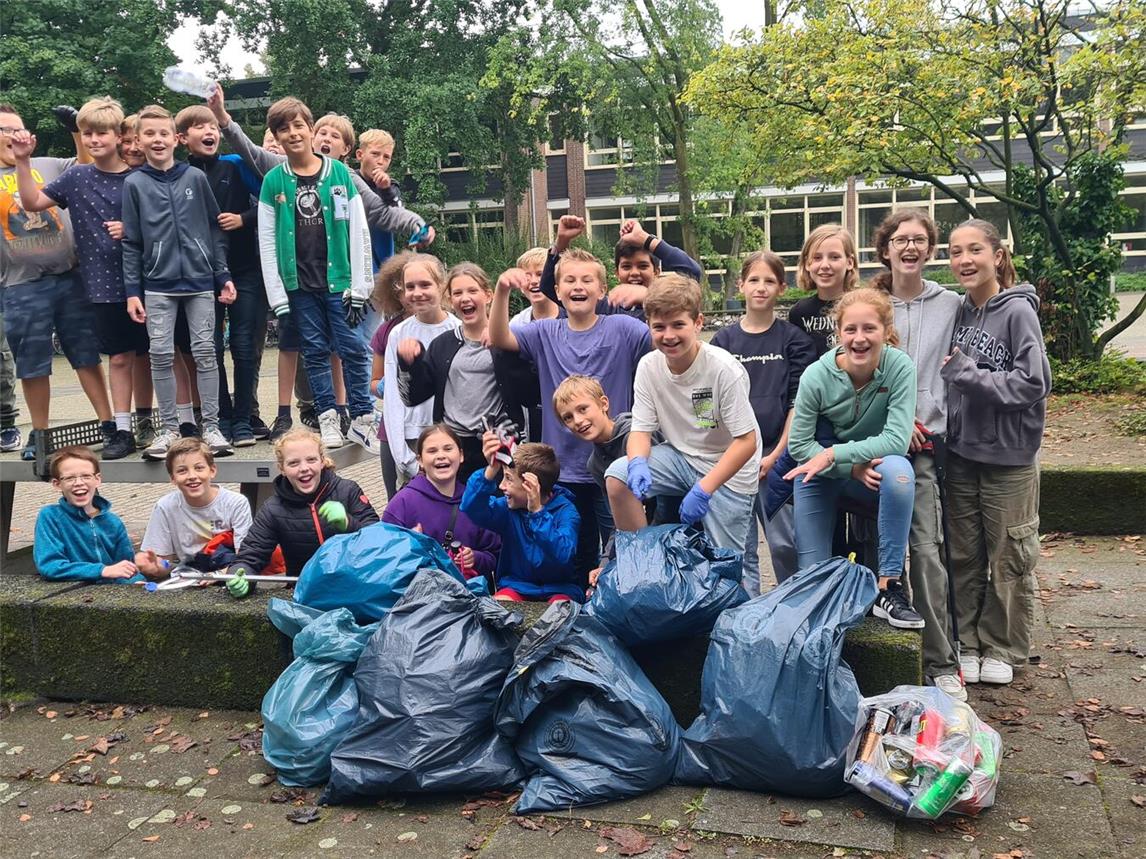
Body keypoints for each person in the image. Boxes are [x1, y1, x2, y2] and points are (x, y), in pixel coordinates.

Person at [490, 249, 651, 580]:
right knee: (575, 553)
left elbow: (669, 333)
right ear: (557, 290)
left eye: (587, 280)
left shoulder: (623, 328)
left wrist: (647, 295)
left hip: (614, 464)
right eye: (570, 280)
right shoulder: (545, 332)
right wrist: (502, 290)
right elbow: (499, 338)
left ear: (602, 290)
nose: (578, 286)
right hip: (562, 468)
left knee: (622, 546)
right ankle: (578, 605)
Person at [941, 219, 1051, 687]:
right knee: (963, 555)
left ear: (997, 255)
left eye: (974, 250)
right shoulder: (960, 312)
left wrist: (967, 375)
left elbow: (1033, 383)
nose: (964, 260)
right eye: (955, 251)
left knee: (1010, 556)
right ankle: (966, 642)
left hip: (1009, 458)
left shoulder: (1018, 311)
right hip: (962, 454)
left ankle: (1002, 645)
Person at [11, 98, 143, 460]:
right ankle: (121, 428)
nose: (94, 140)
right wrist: (22, 161)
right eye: (87, 134)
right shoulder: (77, 177)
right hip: (102, 285)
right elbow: (32, 202)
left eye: (101, 133)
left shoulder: (140, 176)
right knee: (119, 358)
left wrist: (132, 229)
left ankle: (159, 421)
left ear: (118, 136)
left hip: (147, 280)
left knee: (156, 356)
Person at [785, 288, 923, 628]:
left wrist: (836, 453)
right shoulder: (817, 376)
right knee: (812, 576)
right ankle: (819, 602)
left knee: (900, 474)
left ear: (886, 332)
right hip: (827, 474)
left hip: (875, 469)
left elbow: (897, 440)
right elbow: (800, 445)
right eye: (850, 329)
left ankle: (888, 587)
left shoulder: (899, 367)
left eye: (869, 329)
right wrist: (849, 467)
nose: (859, 338)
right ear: (838, 332)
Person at [604, 274, 761, 572]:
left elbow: (747, 441)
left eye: (678, 325)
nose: (669, 335)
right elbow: (640, 430)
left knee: (728, 565)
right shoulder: (649, 366)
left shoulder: (723, 369)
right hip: (681, 456)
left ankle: (739, 601)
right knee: (618, 476)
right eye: (659, 327)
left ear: (698, 323)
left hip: (729, 467)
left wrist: (704, 489)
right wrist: (637, 462)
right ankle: (644, 565)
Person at [871, 209, 964, 698]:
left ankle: (941, 659)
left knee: (927, 547)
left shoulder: (950, 304)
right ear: (885, 248)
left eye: (919, 239)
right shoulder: (871, 304)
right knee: (876, 546)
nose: (910, 247)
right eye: (900, 239)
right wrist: (895, 420)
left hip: (927, 443)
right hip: (878, 442)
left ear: (930, 249)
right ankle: (884, 643)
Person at [257, 96, 379, 453]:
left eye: (299, 126)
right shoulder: (273, 181)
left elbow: (359, 230)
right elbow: (267, 240)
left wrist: (361, 285)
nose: (293, 133)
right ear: (276, 136)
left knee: (353, 348)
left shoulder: (339, 173)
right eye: (284, 129)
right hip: (299, 285)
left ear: (310, 129)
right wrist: (277, 296)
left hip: (340, 282)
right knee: (313, 351)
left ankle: (362, 416)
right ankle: (326, 416)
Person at [120, 104, 235, 460]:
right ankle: (169, 429)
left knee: (205, 352)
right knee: (160, 354)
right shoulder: (134, 183)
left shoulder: (195, 178)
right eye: (149, 134)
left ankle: (212, 426)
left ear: (176, 139)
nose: (157, 140)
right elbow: (131, 241)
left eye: (163, 133)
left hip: (200, 283)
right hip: (157, 285)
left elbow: (215, 228)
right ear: (138, 140)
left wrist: (222, 275)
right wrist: (132, 292)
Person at [711, 251, 816, 593]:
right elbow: (704, 400)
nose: (761, 287)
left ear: (782, 288)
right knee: (740, 550)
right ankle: (747, 611)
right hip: (733, 460)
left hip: (777, 458)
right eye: (753, 280)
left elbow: (799, 403)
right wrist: (713, 449)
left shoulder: (794, 340)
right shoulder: (723, 341)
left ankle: (792, 604)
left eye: (769, 281)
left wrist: (776, 455)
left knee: (785, 544)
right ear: (741, 285)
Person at [175, 105, 266, 448]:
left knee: (244, 346)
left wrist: (243, 219)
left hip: (244, 269)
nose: (209, 132)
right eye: (199, 127)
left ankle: (243, 418)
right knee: (209, 349)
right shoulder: (180, 174)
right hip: (200, 275)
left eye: (212, 126)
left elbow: (275, 198)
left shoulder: (235, 165)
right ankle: (220, 417)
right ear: (183, 138)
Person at [397, 262, 530, 480]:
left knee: (494, 498)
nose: (465, 298)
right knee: (455, 499)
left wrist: (503, 347)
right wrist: (409, 364)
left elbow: (529, 394)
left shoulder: (510, 341)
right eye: (457, 293)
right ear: (450, 301)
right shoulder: (442, 344)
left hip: (497, 441)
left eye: (472, 291)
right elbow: (412, 398)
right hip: (453, 444)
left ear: (488, 296)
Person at [233, 428, 380, 577]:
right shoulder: (273, 509)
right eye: (293, 463)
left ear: (322, 461)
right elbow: (250, 556)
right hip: (303, 587)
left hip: (355, 582)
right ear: (282, 469)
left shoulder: (348, 490)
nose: (304, 468)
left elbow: (379, 539)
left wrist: (348, 524)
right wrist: (240, 576)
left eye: (311, 460)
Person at [553, 373, 664, 568]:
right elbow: (619, 519)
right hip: (645, 537)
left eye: (583, 409)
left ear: (603, 404)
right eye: (568, 417)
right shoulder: (595, 464)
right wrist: (605, 562)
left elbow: (666, 497)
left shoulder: (637, 435)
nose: (577, 420)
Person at [461, 432, 582, 602]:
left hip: (561, 588)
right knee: (498, 609)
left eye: (508, 479)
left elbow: (563, 555)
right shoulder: (508, 508)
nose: (501, 485)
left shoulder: (566, 511)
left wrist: (537, 513)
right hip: (515, 585)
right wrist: (490, 471)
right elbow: (471, 508)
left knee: (560, 611)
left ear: (530, 486)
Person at [382, 424, 500, 583]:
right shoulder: (402, 503)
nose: (441, 456)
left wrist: (475, 558)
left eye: (448, 449)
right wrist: (410, 547)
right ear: (420, 460)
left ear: (461, 455)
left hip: (470, 593)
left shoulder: (477, 502)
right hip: (420, 594)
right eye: (432, 451)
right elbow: (384, 559)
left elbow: (495, 555)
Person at [381, 252, 459, 484]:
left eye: (425, 285)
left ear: (441, 286)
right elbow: (393, 397)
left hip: (451, 436)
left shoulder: (458, 329)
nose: (417, 293)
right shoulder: (398, 333)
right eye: (410, 287)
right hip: (413, 439)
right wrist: (404, 458)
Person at [539, 215, 703, 318]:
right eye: (626, 266)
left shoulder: (669, 304)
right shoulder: (606, 307)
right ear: (617, 273)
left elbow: (692, 273)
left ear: (656, 271)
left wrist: (646, 239)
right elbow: (548, 286)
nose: (634, 273)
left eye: (643, 266)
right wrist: (561, 242)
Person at [134, 438, 254, 578]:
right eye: (182, 471)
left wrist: (217, 575)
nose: (192, 476)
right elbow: (166, 564)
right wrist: (155, 566)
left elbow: (244, 559)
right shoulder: (165, 507)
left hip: (229, 574)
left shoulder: (236, 503)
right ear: (172, 478)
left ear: (212, 470)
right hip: (189, 576)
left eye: (199, 468)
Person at [33, 447, 141, 583]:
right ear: (57, 484)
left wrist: (136, 582)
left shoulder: (113, 522)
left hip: (111, 592)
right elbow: (50, 566)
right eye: (70, 478)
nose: (79, 483)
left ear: (97, 479)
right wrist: (101, 571)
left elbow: (126, 568)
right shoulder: (50, 517)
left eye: (86, 476)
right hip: (70, 591)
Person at [369, 262, 411, 500]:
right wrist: (388, 386)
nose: (413, 294)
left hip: (434, 428)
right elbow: (374, 383)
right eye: (406, 288)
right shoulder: (386, 331)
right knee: (395, 498)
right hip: (392, 428)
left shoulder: (448, 326)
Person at [787, 223, 859, 355]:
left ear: (850, 262)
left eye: (834, 257)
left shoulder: (863, 307)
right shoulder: (799, 313)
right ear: (807, 263)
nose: (825, 265)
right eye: (817, 258)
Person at [509, 246, 556, 443]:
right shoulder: (516, 324)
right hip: (533, 408)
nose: (534, 281)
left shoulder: (569, 316)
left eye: (540, 274)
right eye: (527, 276)